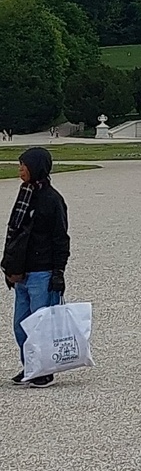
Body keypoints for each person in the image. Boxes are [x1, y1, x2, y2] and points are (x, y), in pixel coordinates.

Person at [2, 147, 70, 388]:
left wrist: (58, 272)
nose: (20, 170)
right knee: (21, 325)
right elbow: (13, 234)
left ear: (36, 168)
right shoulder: (25, 194)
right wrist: (9, 267)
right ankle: (30, 366)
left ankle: (44, 370)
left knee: (40, 326)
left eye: (23, 166)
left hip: (42, 272)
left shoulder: (53, 200)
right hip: (22, 271)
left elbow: (61, 238)